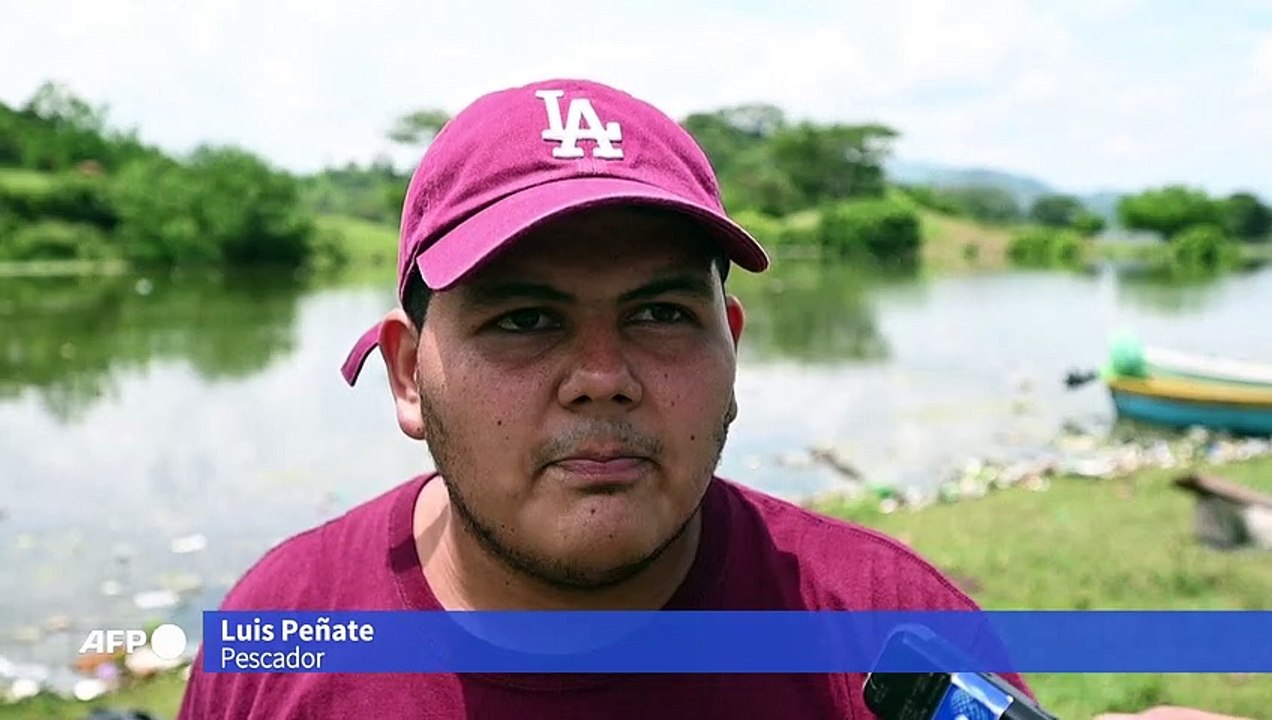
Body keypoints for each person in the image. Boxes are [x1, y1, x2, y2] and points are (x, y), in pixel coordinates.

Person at [176, 77, 1030, 719]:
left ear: (731, 346)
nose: (602, 377)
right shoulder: (279, 636)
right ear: (408, 375)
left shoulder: (888, 638)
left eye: (660, 314)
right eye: (524, 319)